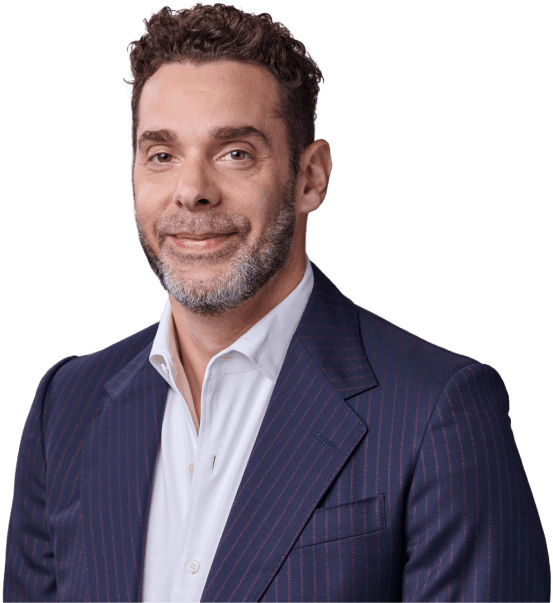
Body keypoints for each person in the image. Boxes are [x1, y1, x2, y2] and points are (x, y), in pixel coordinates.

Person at [3, 3, 550, 602]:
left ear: (310, 177)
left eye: (235, 152)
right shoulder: (66, 406)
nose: (192, 191)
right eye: (162, 155)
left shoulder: (438, 411)